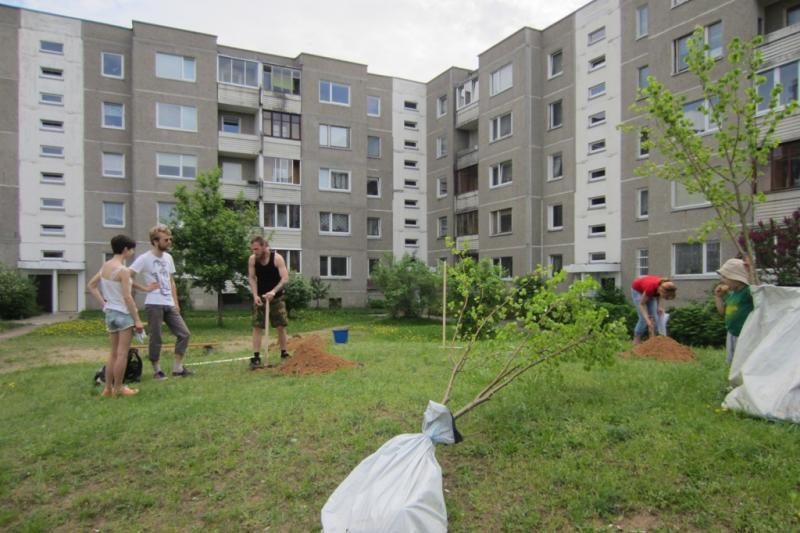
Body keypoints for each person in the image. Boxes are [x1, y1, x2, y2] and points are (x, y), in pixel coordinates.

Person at [129, 224, 192, 380]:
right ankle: (157, 370)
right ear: (155, 241)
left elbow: (171, 281)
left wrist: (176, 302)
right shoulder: (144, 258)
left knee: (184, 334)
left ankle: (178, 368)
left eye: (170, 239)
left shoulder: (168, 258)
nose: (169, 242)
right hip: (154, 303)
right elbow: (127, 276)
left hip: (168, 302)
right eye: (166, 239)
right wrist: (144, 288)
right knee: (156, 337)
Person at [87, 235, 146, 397]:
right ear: (125, 249)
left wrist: (104, 304)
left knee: (113, 353)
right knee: (122, 354)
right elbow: (127, 297)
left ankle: (107, 389)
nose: (132, 252)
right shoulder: (123, 271)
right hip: (123, 315)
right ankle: (119, 387)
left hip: (110, 314)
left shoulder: (105, 266)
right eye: (131, 249)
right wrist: (137, 320)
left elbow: (91, 286)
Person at [247, 236, 290, 369]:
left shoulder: (277, 258)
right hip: (260, 297)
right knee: (257, 326)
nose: (255, 252)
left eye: (257, 249)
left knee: (281, 326)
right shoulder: (253, 259)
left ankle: (284, 353)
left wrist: (273, 292)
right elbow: (252, 278)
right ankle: (256, 356)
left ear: (264, 246)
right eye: (253, 249)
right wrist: (255, 295)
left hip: (277, 298)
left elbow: (285, 279)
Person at [714, 258, 754, 364]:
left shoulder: (746, 293)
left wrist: (749, 273)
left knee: (743, 360)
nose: (722, 280)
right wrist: (718, 297)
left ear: (737, 279)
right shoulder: (732, 295)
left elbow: (756, 289)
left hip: (743, 334)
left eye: (725, 277)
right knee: (732, 361)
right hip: (731, 332)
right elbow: (722, 311)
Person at [631, 275, 677, 344]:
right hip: (637, 287)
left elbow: (659, 295)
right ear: (661, 291)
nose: (665, 298)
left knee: (655, 317)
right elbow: (642, 304)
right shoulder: (651, 288)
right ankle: (636, 339)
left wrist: (659, 307)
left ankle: (652, 341)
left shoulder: (667, 285)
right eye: (665, 297)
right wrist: (647, 319)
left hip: (649, 284)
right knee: (643, 319)